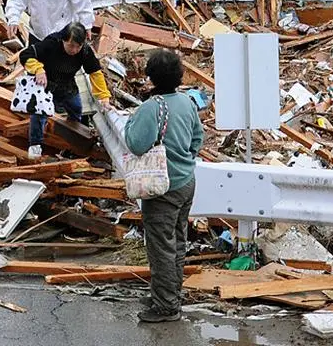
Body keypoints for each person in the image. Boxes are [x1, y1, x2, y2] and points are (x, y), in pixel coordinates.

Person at [124, 49, 204, 324]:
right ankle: (170, 294)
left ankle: (166, 306)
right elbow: (198, 138)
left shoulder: (151, 107)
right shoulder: (187, 102)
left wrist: (130, 122)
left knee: (161, 248)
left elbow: (136, 144)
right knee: (178, 242)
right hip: (186, 182)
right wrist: (185, 158)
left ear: (152, 76)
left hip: (162, 187)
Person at [18, 23, 111, 159]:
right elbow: (26, 55)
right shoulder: (52, 43)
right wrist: (38, 69)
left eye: (78, 46)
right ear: (63, 40)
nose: (74, 50)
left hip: (67, 84)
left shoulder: (85, 51)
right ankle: (35, 145)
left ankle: (71, 143)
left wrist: (104, 96)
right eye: (71, 46)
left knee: (76, 109)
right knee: (39, 114)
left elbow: (95, 72)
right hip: (45, 82)